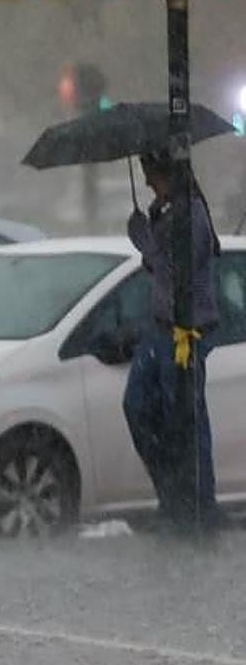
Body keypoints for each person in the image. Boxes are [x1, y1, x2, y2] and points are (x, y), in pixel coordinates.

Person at [122, 150, 221, 534]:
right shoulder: (166, 214)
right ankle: (171, 492)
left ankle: (196, 505)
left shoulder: (192, 215)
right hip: (160, 330)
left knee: (186, 420)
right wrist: (151, 231)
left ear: (168, 174)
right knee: (138, 405)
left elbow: (178, 271)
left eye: (152, 174)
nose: (148, 182)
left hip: (185, 334)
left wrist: (146, 242)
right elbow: (158, 269)